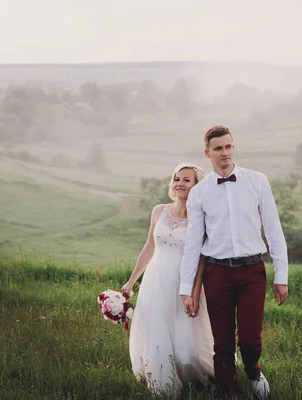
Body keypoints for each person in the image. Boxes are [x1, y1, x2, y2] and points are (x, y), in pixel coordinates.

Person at [179, 125, 290, 399]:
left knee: (250, 340)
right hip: (217, 274)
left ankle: (252, 370)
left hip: (253, 270)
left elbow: (274, 230)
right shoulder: (199, 193)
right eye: (218, 148)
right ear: (208, 153)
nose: (224, 152)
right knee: (223, 343)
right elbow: (193, 243)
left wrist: (281, 275)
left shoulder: (258, 181)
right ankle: (229, 391)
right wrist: (186, 288)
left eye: (228, 146)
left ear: (233, 147)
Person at [121, 163, 215, 396]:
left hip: (184, 283)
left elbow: (203, 259)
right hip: (155, 281)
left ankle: (201, 379)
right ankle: (162, 378)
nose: (179, 184)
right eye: (176, 179)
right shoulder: (159, 211)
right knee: (156, 333)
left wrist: (194, 291)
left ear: (196, 185)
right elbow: (149, 247)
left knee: (186, 347)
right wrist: (131, 282)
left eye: (186, 180)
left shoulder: (201, 217)